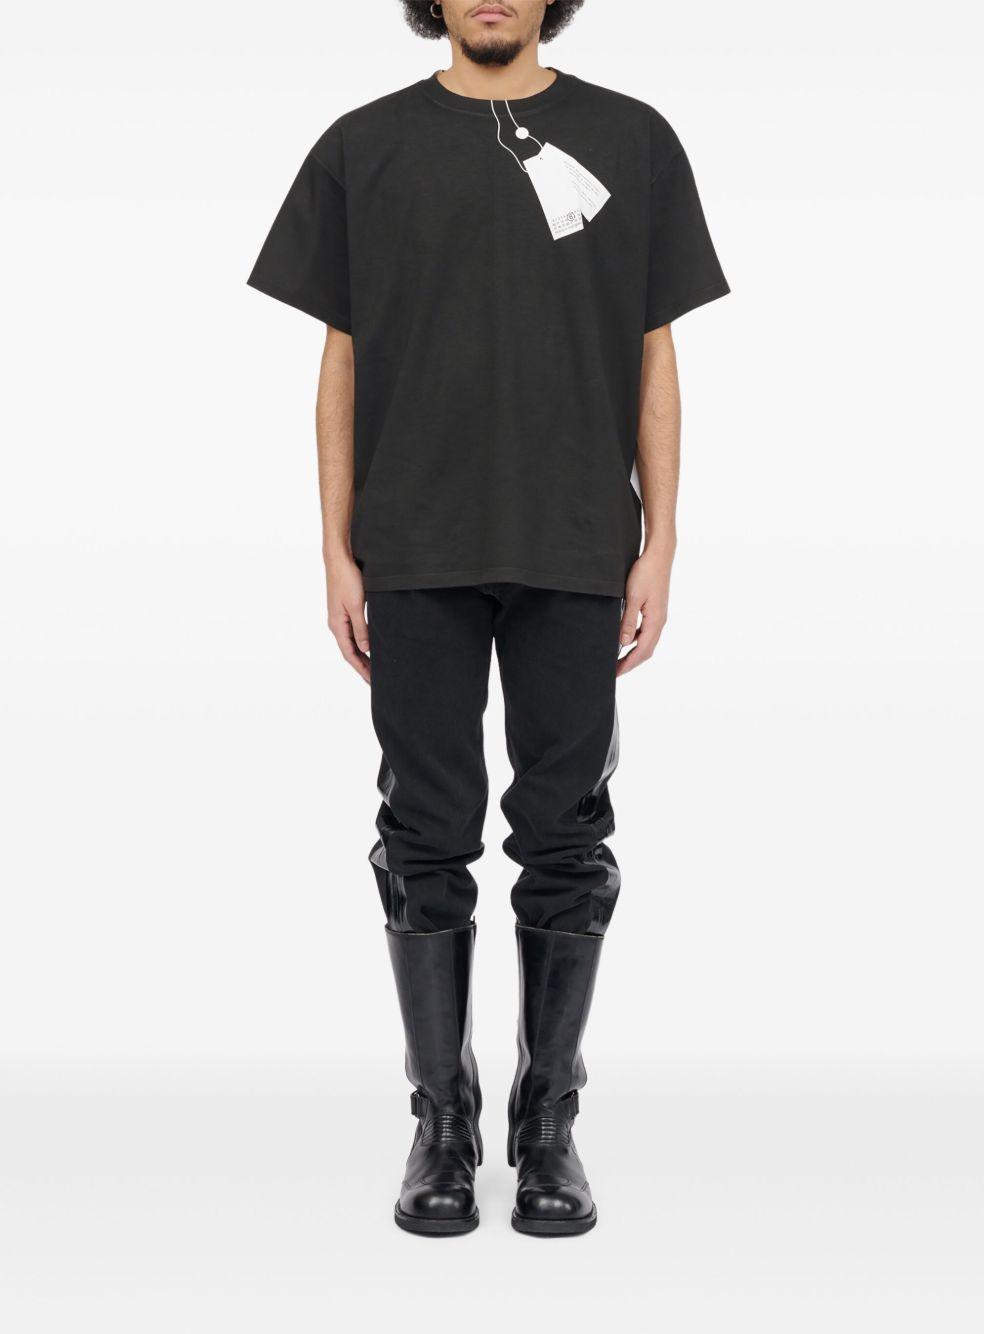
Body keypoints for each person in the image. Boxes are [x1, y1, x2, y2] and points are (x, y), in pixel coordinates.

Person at [248, 0, 728, 1237]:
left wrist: (661, 538)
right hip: (414, 541)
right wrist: (335, 542)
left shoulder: (634, 138)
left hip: (575, 538)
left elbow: (655, 352)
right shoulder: (362, 146)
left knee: (566, 831)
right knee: (423, 828)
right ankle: (442, 1118)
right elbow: (341, 356)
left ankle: (548, 1115)